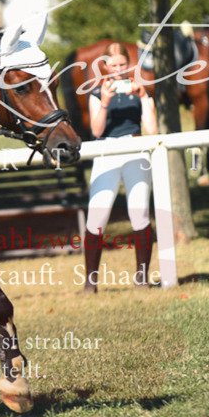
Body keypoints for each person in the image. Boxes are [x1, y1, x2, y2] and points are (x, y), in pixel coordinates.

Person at [81, 43, 158, 293]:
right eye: (113, 65)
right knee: (97, 215)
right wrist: (104, 101)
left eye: (122, 65)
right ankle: (90, 283)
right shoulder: (96, 92)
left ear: (129, 64)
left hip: (135, 148)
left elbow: (153, 129)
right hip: (106, 151)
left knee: (140, 214)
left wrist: (144, 97)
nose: (117, 69)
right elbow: (96, 130)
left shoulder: (140, 89)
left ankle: (141, 279)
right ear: (105, 66)